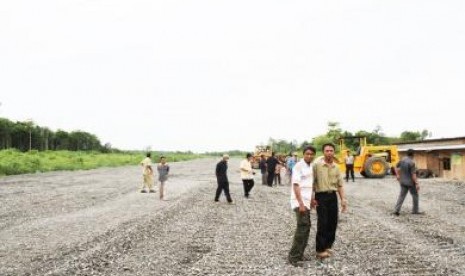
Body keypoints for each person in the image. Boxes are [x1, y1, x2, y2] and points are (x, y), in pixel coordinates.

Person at [312, 143, 348, 259]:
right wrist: (312, 198)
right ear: (323, 152)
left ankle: (328, 245)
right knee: (322, 223)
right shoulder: (316, 166)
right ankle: (320, 250)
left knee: (333, 222)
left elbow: (340, 185)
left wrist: (343, 199)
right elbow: (311, 183)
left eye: (331, 151)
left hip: (332, 196)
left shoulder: (336, 167)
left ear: (334, 152)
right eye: (327, 151)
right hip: (320, 196)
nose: (329, 153)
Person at [288, 146, 316, 266]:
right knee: (302, 228)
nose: (309, 156)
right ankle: (294, 258)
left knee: (306, 227)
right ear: (303, 154)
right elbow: (296, 185)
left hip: (306, 201)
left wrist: (312, 200)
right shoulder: (298, 166)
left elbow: (309, 186)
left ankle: (299, 254)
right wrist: (301, 204)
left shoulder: (310, 166)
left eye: (311, 154)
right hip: (299, 203)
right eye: (307, 154)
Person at [393, 149, 422, 216]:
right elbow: (413, 175)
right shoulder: (412, 163)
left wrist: (397, 175)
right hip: (410, 183)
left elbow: (395, 166)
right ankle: (415, 211)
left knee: (401, 196)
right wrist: (417, 183)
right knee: (415, 195)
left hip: (402, 181)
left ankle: (396, 210)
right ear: (413, 154)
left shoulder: (402, 160)